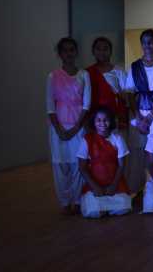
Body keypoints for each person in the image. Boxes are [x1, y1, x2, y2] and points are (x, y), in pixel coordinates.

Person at [46, 37, 91, 214]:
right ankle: (65, 202)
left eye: (72, 49)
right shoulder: (52, 76)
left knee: (78, 164)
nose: (68, 53)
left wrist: (76, 128)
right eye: (65, 50)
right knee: (60, 165)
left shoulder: (84, 75)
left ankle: (78, 200)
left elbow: (87, 104)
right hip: (58, 128)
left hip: (78, 127)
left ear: (76, 52)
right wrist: (59, 130)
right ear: (60, 53)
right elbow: (50, 107)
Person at [125, 29, 153, 194]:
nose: (147, 45)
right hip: (138, 115)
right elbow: (129, 92)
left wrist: (150, 117)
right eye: (144, 42)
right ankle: (137, 190)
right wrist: (138, 117)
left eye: (150, 42)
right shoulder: (135, 67)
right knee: (137, 155)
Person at [77, 107, 132, 218]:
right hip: (94, 183)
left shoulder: (117, 138)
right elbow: (82, 167)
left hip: (114, 182)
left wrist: (114, 185)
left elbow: (121, 166)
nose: (102, 123)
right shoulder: (87, 139)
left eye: (106, 120)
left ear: (111, 121)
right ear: (93, 122)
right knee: (92, 211)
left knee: (124, 207)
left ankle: (105, 208)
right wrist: (95, 186)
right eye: (98, 120)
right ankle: (105, 208)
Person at [86, 37, 128, 132]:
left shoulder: (118, 71)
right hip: (95, 117)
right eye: (98, 49)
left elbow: (126, 96)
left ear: (110, 51)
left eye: (105, 49)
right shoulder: (87, 73)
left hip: (114, 116)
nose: (102, 52)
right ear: (93, 51)